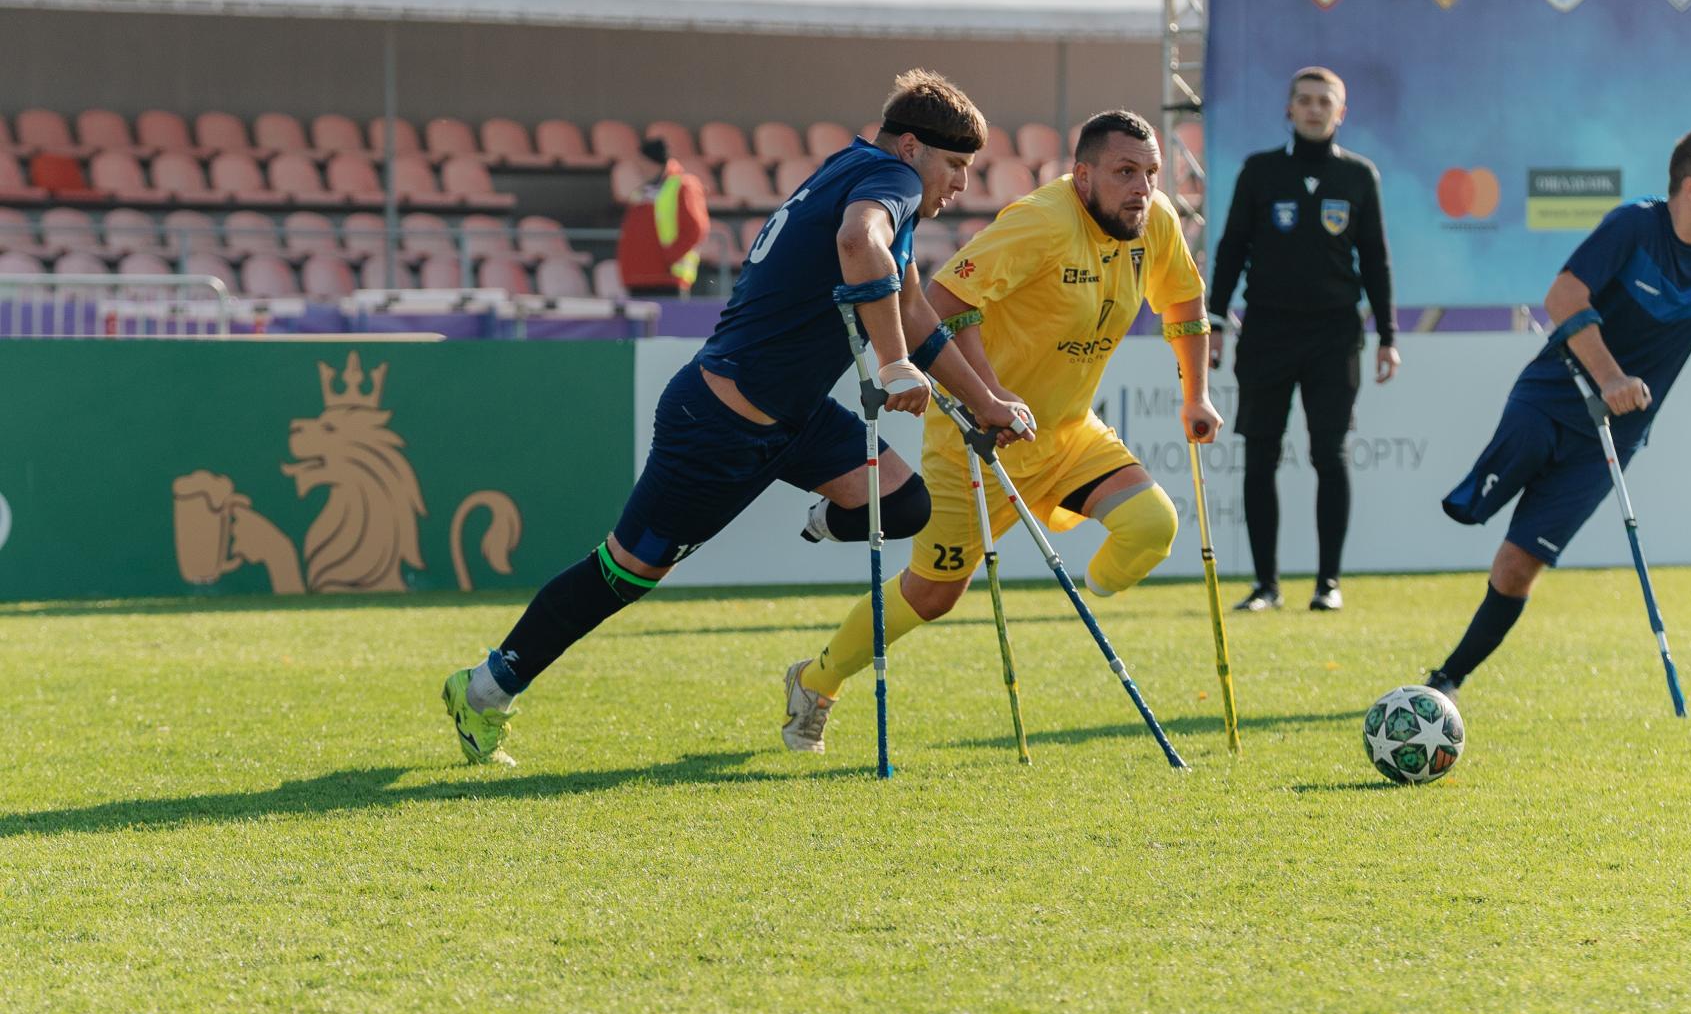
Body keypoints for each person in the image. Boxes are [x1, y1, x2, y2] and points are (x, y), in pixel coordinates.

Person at [440, 70, 1033, 765]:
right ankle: (482, 689)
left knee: (904, 504)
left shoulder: (860, 170)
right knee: (622, 575)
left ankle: (822, 516)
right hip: (718, 426)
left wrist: (986, 401)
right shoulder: (890, 181)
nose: (961, 183)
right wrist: (894, 363)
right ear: (911, 147)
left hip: (796, 420)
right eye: (955, 164)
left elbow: (910, 306)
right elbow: (857, 241)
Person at [781, 109, 1224, 753]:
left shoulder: (1154, 221)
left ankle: (1086, 596)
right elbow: (942, 303)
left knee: (1152, 526)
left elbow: (1184, 301)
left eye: (1151, 173)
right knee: (933, 596)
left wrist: (1196, 396)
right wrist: (989, 394)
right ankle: (814, 681)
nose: (1142, 188)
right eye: (1125, 172)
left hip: (1066, 433)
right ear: (1082, 175)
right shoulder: (1041, 222)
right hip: (977, 440)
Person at [1423, 127, 1691, 701]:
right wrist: (1609, 377)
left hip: (1613, 437)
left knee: (1517, 565)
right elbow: (1563, 297)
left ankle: (1446, 680)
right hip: (1550, 399)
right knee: (1471, 507)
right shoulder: (1634, 225)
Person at [1206, 66, 1398, 614]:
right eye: (1305, 100)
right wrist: (1214, 323)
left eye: (1324, 102)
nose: (1314, 109)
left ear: (1341, 113)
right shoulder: (1259, 171)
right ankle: (1265, 585)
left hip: (1335, 334)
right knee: (1259, 456)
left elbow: (1376, 260)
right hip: (1267, 331)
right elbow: (1232, 248)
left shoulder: (1359, 176)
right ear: (1289, 109)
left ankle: (1327, 584)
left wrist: (1388, 336)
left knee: (1329, 455)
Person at [617, 138, 709, 297]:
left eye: (640, 162)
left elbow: (696, 228)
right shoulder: (641, 192)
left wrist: (670, 257)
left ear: (651, 162)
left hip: (667, 278)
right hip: (637, 278)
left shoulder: (683, 186)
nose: (637, 168)